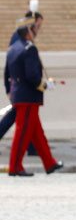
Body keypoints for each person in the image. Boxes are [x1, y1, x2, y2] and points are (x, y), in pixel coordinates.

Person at [5, 9, 63, 176]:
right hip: (28, 96)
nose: (36, 32)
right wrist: (45, 85)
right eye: (34, 29)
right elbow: (32, 76)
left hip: (19, 94)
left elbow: (8, 72)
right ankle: (15, 166)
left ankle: (49, 163)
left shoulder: (13, 48)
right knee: (22, 133)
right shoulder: (29, 49)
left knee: (37, 132)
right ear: (29, 31)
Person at [1, 0, 44, 145]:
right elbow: (10, 65)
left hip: (24, 89)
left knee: (29, 119)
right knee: (17, 118)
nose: (39, 29)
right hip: (22, 88)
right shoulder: (19, 40)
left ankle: (33, 147)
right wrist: (8, 88)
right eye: (38, 25)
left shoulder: (27, 40)